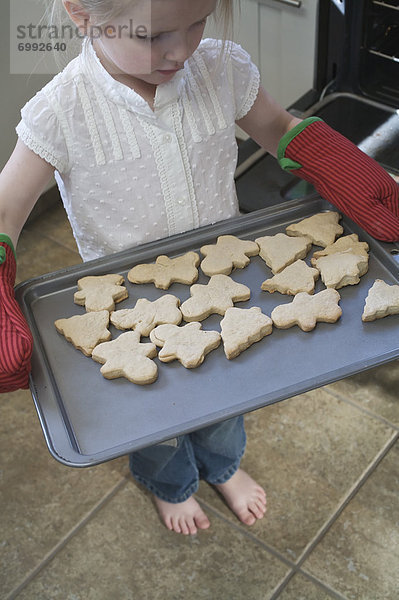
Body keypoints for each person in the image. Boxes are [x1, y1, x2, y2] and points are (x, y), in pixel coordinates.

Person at [0, 0, 398, 535]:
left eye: (198, 22)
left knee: (225, 398)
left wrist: (338, 163)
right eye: (156, 35)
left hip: (225, 289)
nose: (182, 49)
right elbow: (6, 209)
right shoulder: (60, 112)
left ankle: (223, 466)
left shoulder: (221, 70)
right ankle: (171, 485)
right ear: (83, 14)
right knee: (155, 422)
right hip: (130, 314)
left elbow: (278, 126)